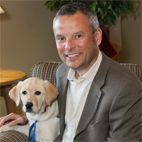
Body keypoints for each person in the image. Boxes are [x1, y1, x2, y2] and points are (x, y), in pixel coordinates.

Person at [0, 2, 141, 142]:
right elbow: (64, 118)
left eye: (78, 36)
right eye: (61, 38)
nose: (68, 46)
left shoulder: (126, 87)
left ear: (97, 37)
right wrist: (28, 119)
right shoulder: (61, 72)